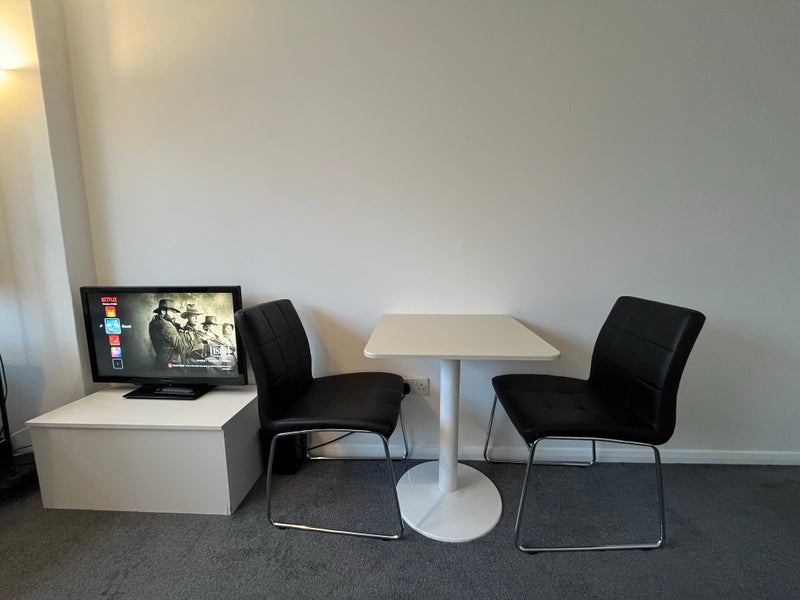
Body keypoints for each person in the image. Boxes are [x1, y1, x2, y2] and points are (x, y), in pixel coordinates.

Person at [148, 299, 193, 369]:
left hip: (161, 363)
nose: (174, 314)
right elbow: (181, 347)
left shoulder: (154, 322)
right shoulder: (166, 325)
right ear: (163, 311)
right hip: (171, 366)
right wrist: (198, 343)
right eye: (172, 311)